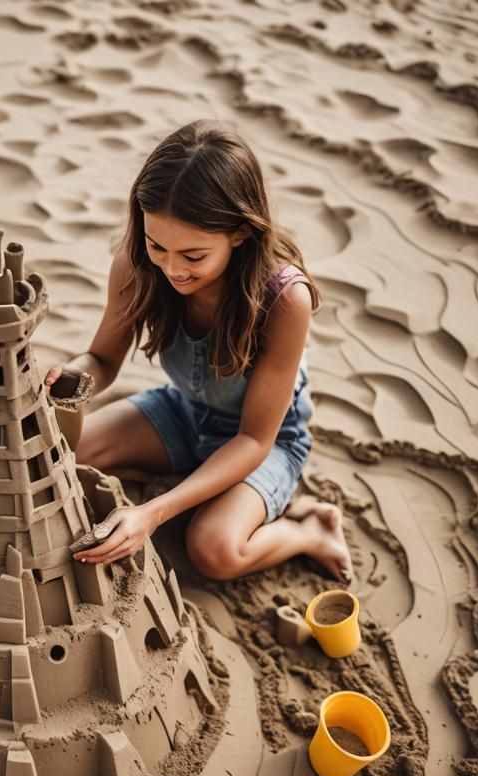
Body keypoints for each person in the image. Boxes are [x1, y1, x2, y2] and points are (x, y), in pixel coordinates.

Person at [44, 119, 352, 583]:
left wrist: (153, 512)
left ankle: (308, 529)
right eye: (157, 246)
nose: (171, 269)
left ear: (240, 232)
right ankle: (198, 484)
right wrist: (68, 378)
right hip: (186, 413)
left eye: (193, 256)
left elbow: (253, 440)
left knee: (213, 550)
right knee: (63, 452)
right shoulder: (136, 262)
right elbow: (102, 361)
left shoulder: (286, 299)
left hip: (264, 443)